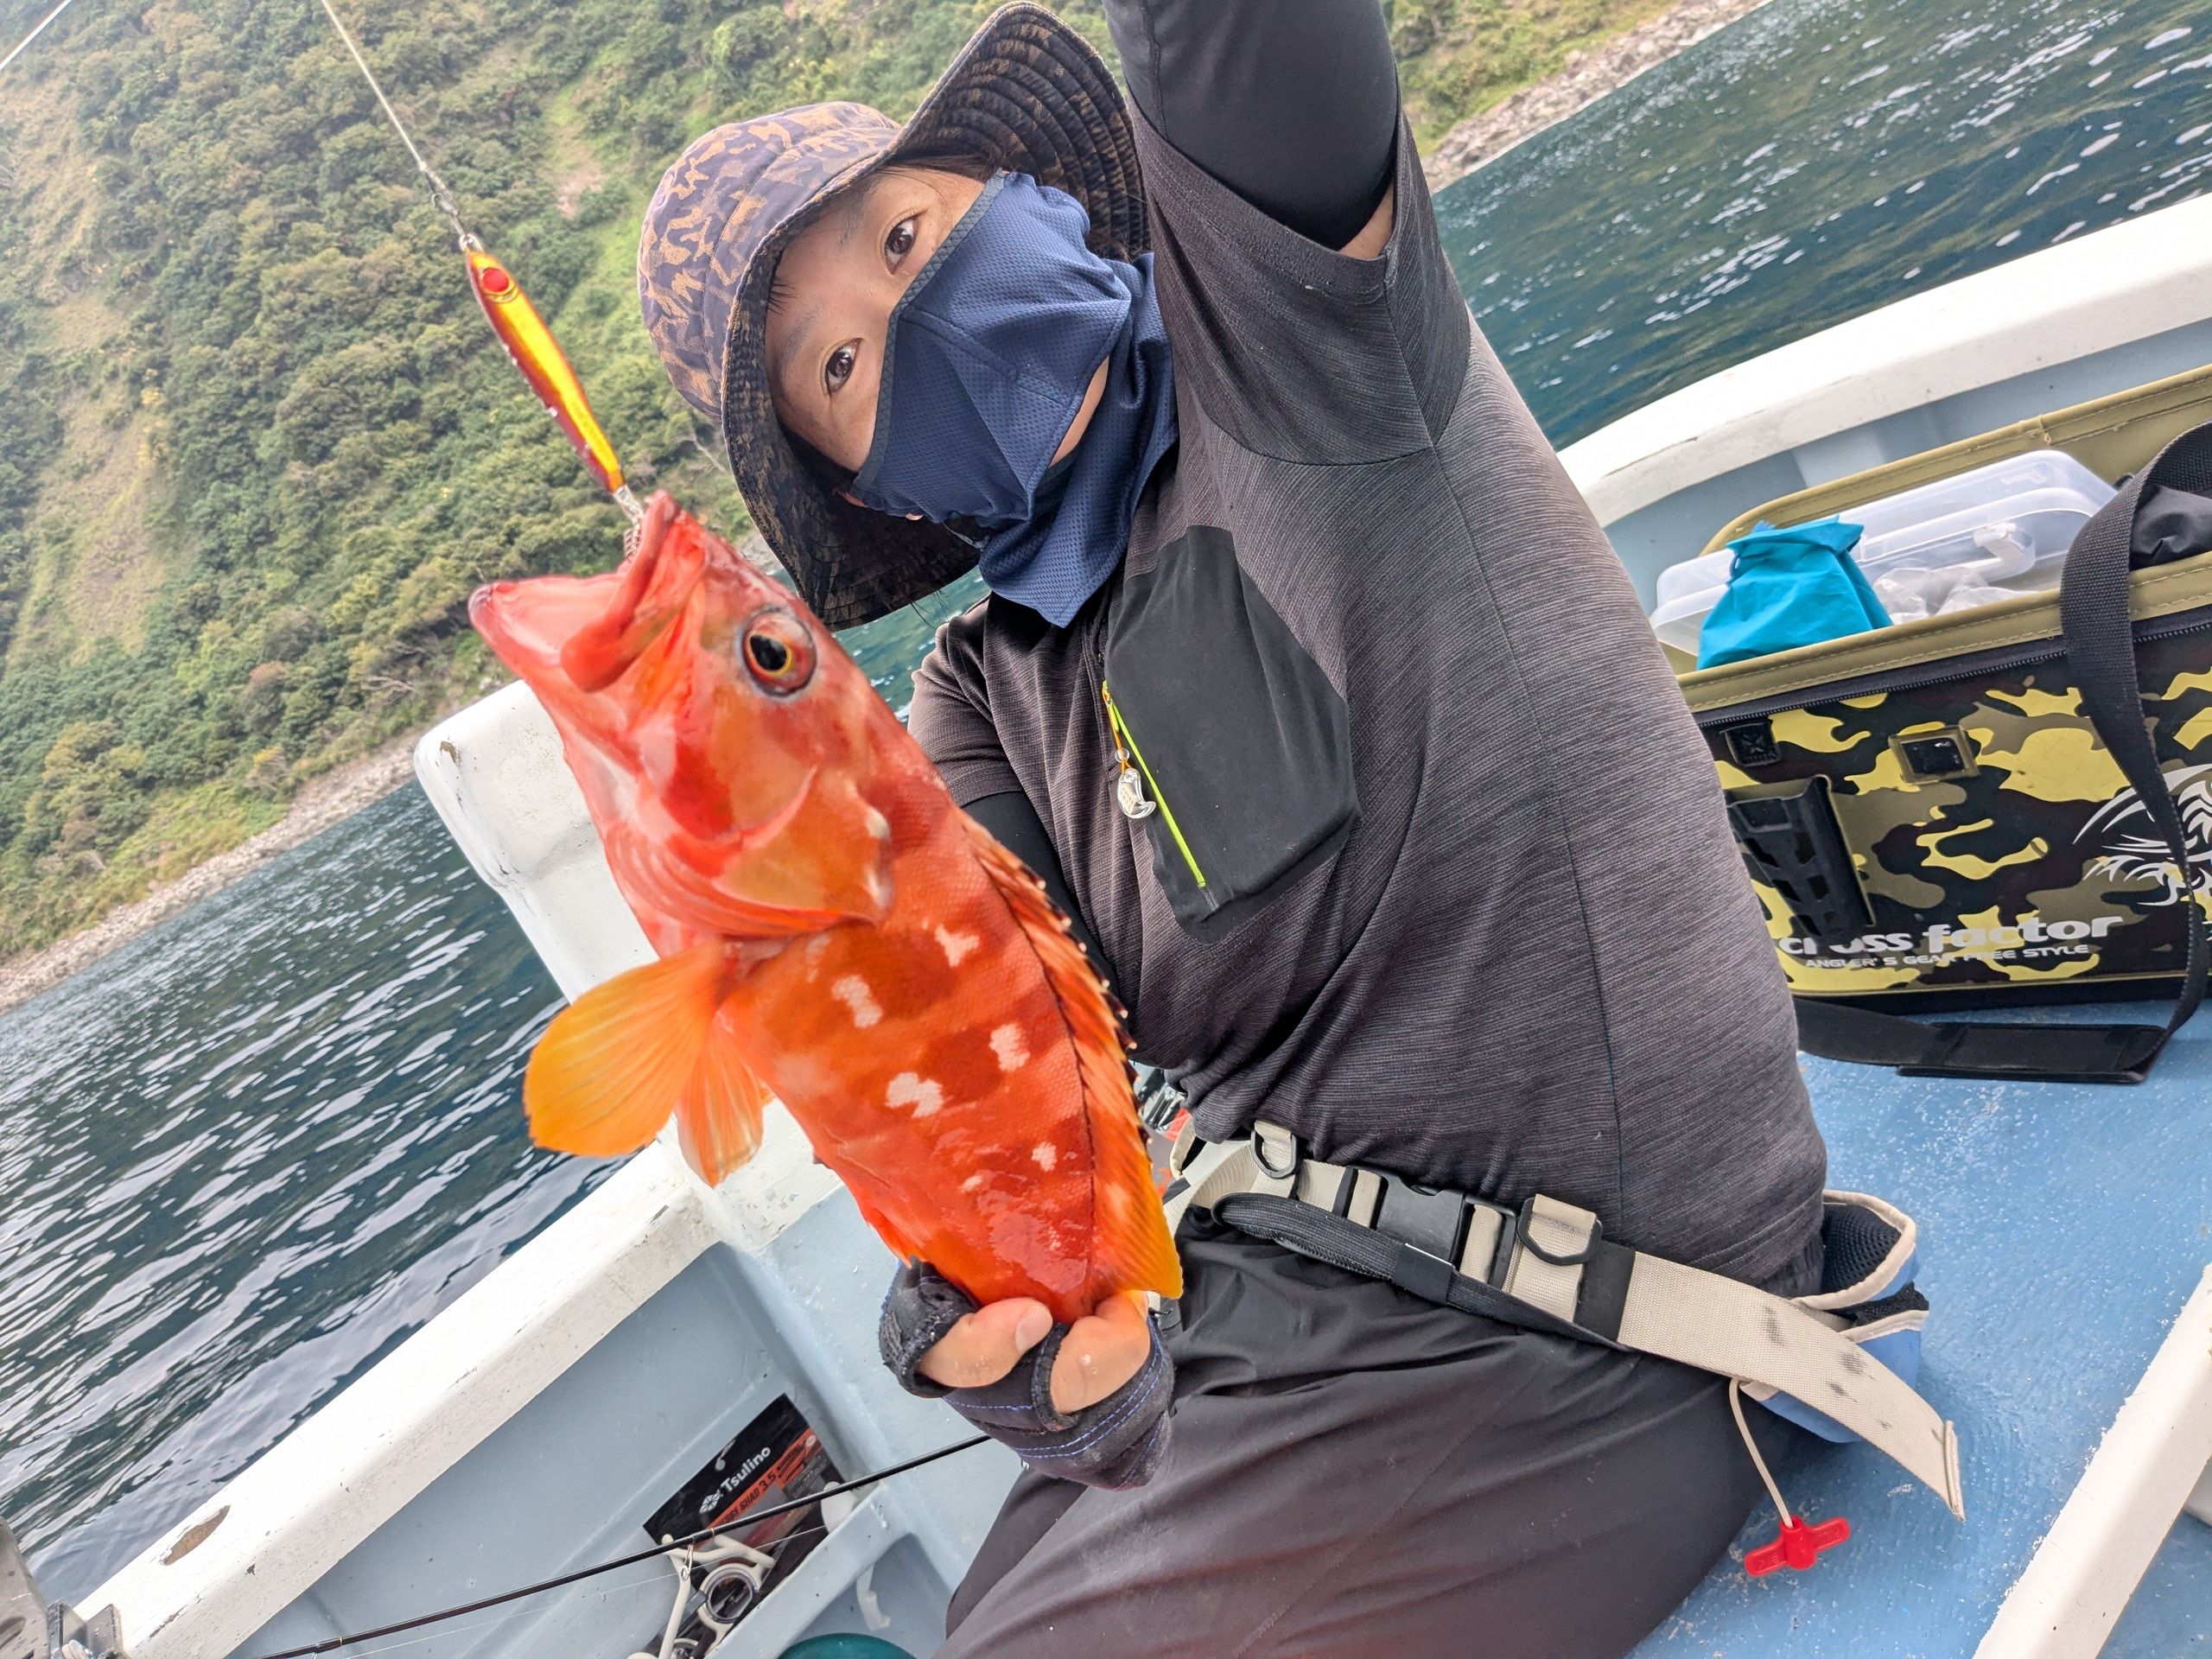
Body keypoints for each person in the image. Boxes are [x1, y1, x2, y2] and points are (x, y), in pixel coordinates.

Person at [637, 3, 1828, 1652]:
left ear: (1026, 193)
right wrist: (994, 1309)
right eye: (839, 367)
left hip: (1615, 1305)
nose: (905, 321)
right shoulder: (983, 692)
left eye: (904, 238)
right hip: (1298, 1293)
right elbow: (994, 1042)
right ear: (867, 490)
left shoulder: (1290, 318)